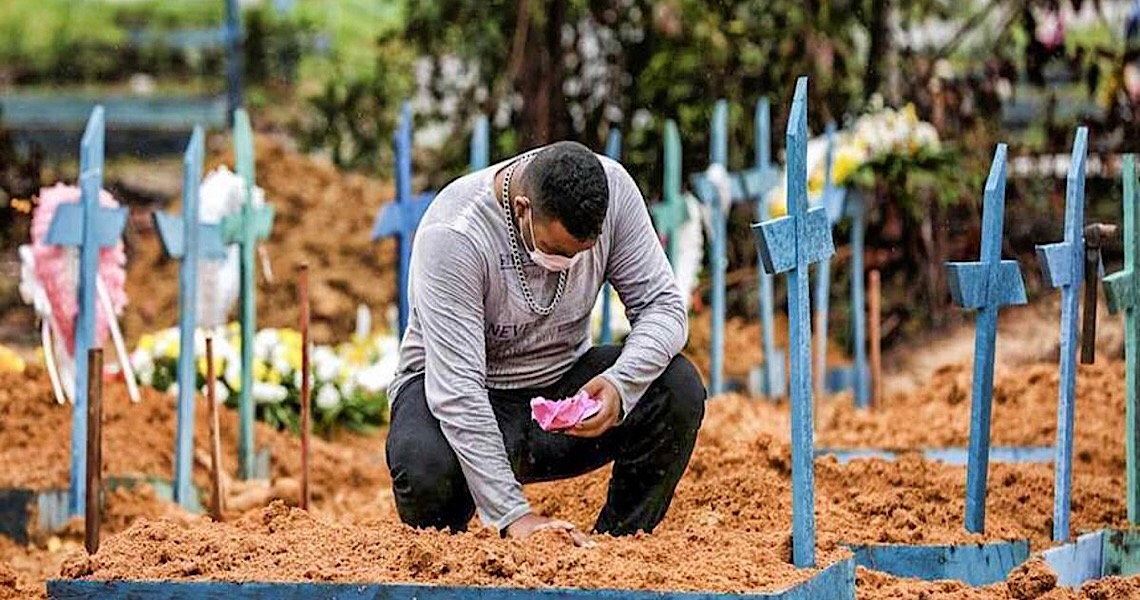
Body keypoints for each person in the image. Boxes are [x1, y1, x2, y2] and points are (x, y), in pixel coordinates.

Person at [386, 141, 706, 545]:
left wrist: (621, 383)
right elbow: (458, 392)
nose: (569, 262)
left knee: (676, 387)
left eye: (582, 252)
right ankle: (452, 564)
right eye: (557, 251)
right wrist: (513, 516)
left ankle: (617, 549)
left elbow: (664, 307)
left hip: (557, 394)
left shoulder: (615, 192)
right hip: (463, 395)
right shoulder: (455, 235)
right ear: (522, 209)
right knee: (424, 466)